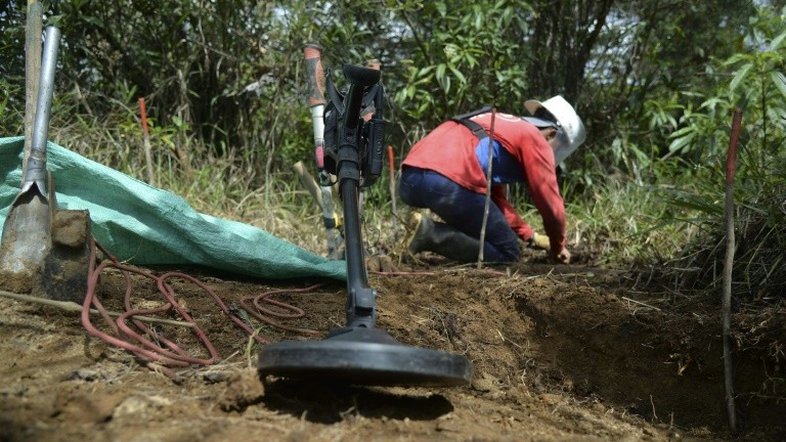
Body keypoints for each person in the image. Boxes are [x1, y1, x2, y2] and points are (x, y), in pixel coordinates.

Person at [398, 95, 586, 264]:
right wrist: (558, 245)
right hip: (447, 183)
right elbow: (551, 206)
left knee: (486, 228)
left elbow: (495, 199)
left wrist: (530, 236)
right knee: (508, 252)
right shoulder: (535, 138)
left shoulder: (504, 125)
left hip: (410, 181)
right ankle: (430, 234)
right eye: (559, 146)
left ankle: (425, 230)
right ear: (553, 134)